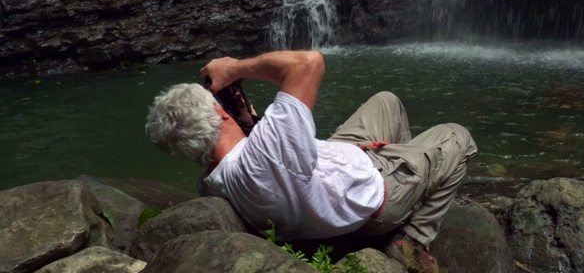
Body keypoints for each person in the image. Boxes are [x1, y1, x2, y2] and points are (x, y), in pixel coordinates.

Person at [145, 50, 477, 273]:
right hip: (372, 199)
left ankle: (407, 171)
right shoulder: (268, 148)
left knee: (386, 103)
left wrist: (246, 122)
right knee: (457, 136)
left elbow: (259, 160)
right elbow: (308, 63)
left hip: (328, 170)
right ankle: (412, 235)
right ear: (220, 112)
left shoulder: (210, 183)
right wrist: (232, 69)